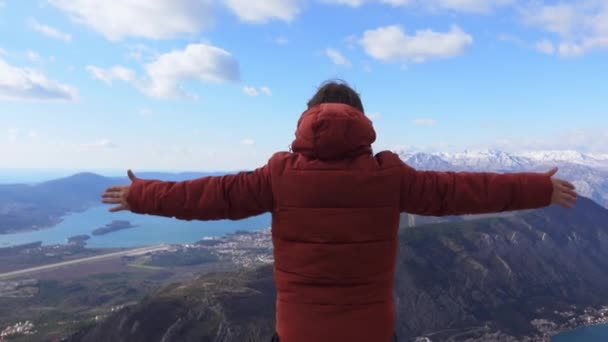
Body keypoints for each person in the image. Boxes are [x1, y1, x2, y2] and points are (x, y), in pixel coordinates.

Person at [101, 80, 577, 342]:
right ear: (365, 123)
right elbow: (465, 191)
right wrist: (538, 188)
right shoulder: (391, 177)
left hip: (298, 332)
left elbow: (209, 196)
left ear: (305, 121)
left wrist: (143, 195)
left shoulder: (278, 176)